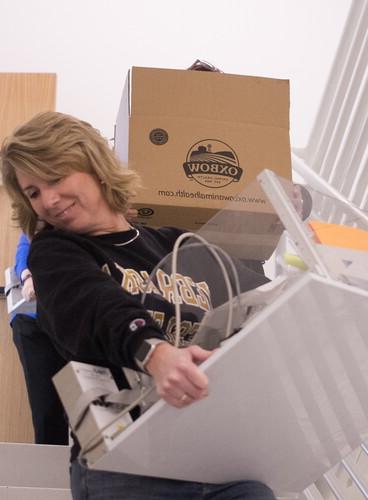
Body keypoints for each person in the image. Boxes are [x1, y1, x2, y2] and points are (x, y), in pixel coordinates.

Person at [1, 111, 276, 500]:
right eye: (32, 193)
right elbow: (96, 305)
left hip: (215, 459)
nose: (47, 200)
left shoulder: (177, 245)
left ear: (94, 166)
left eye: (56, 178)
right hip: (124, 463)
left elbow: (262, 298)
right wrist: (155, 352)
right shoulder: (53, 252)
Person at [10, 232, 68, 445]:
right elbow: (23, 252)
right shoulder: (37, 224)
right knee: (46, 408)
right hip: (34, 322)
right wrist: (28, 277)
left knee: (88, 404)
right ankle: (51, 474)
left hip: (74, 322)